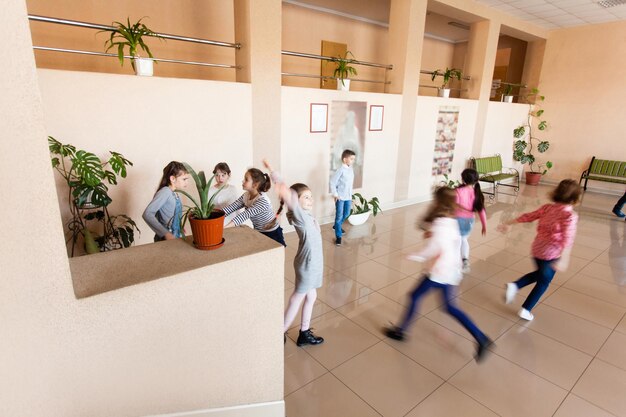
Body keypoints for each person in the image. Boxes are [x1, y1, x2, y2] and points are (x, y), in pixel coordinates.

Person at [384, 187, 493, 362]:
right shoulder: (452, 220)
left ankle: (400, 331)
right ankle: (481, 337)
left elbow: (433, 249)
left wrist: (413, 255)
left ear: (437, 202)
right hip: (452, 270)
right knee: (450, 307)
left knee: (414, 296)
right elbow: (449, 241)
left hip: (439, 272)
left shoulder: (440, 223)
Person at [498, 179, 581, 321]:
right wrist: (565, 260)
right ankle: (525, 308)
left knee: (540, 275)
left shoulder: (548, 208)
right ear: (574, 199)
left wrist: (508, 223)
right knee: (544, 282)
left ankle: (515, 286)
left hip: (537, 249)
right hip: (552, 254)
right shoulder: (570, 216)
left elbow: (529, 217)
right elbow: (568, 239)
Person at [263, 159, 324, 347]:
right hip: (307, 264)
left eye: (310, 196)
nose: (310, 199)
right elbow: (287, 193)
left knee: (311, 296)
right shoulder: (299, 215)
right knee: (298, 297)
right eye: (306, 197)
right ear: (296, 201)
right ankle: (280, 331)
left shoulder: (307, 215)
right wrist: (273, 172)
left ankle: (304, 332)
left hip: (313, 264)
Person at [222, 168, 286, 246]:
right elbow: (231, 208)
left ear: (255, 185)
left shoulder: (262, 201)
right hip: (259, 231)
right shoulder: (246, 196)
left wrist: (223, 229)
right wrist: (214, 217)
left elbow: (243, 216)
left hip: (272, 233)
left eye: (246, 179)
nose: (242, 181)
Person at [143, 161, 189, 242]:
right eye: (184, 179)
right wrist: (166, 233)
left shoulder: (174, 193)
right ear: (173, 179)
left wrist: (179, 226)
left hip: (175, 235)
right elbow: (147, 214)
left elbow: (170, 214)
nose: (187, 182)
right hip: (166, 239)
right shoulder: (165, 192)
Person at [455, 168, 487, 273]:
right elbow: (481, 211)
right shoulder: (477, 193)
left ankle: (456, 263)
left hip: (457, 219)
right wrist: (484, 225)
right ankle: (465, 260)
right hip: (469, 221)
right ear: (476, 180)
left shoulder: (458, 191)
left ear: (463, 179)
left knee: (457, 240)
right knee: (464, 239)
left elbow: (454, 206)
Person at [329, 149, 356, 246]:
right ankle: (338, 236)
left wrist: (350, 195)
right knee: (339, 216)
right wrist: (335, 194)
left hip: (348, 197)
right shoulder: (340, 170)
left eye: (354, 159)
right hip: (340, 197)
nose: (353, 161)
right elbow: (332, 182)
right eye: (351, 159)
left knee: (347, 213)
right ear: (345, 159)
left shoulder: (351, 169)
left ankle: (337, 226)